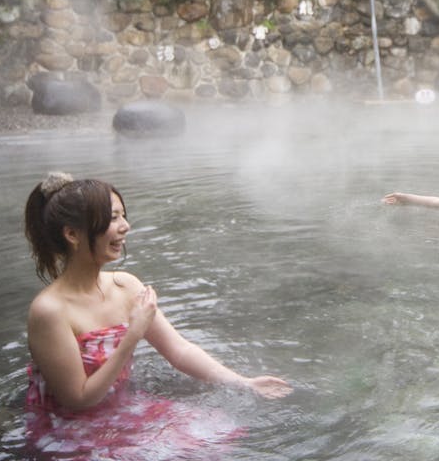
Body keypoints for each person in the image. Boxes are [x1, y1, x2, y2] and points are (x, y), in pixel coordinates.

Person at [22, 172, 290, 459]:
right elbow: (78, 400)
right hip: (69, 429)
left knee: (216, 435)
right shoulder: (50, 311)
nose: (125, 227)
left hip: (122, 409)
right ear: (72, 234)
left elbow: (179, 350)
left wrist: (242, 382)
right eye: (113, 218)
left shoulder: (126, 286)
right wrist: (133, 335)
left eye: (123, 216)